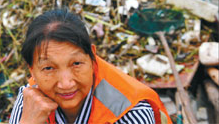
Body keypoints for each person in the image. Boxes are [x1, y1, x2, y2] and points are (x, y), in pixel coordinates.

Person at [10, 9, 172, 124]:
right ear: (32, 70)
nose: (66, 84)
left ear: (92, 57)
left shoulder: (130, 113)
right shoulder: (29, 102)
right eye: (49, 68)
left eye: (76, 64)